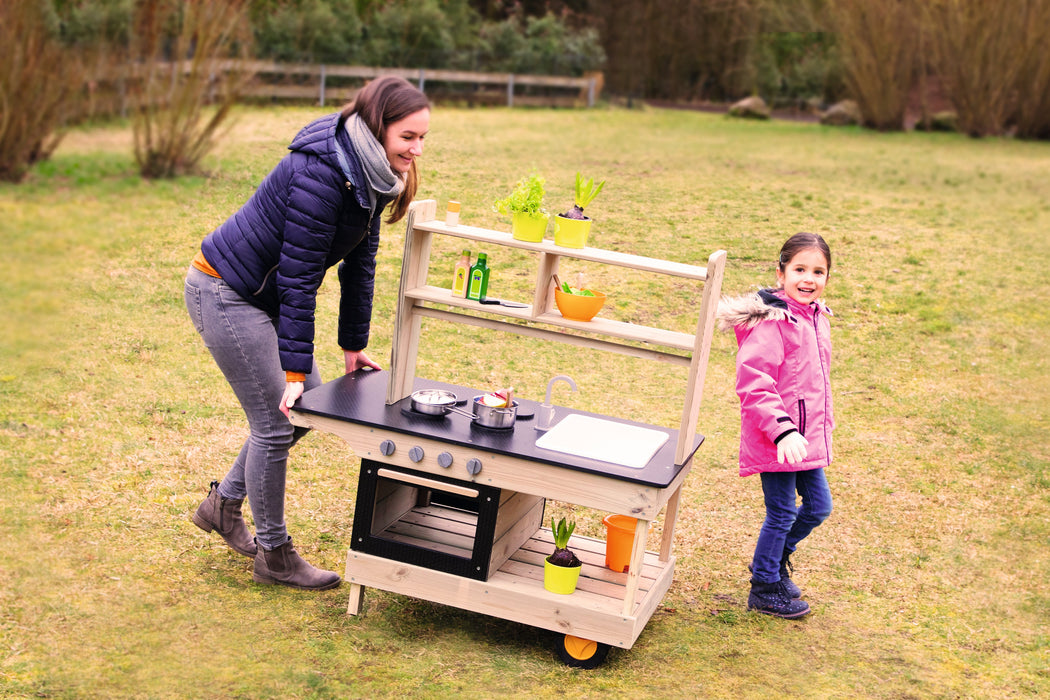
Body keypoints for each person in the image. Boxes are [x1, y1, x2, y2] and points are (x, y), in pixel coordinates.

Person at [184, 76, 430, 590]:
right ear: (378, 126)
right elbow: (298, 278)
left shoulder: (369, 174)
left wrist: (353, 346)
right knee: (278, 422)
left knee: (304, 414)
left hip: (263, 296)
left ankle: (223, 505)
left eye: (423, 138)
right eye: (408, 137)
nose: (416, 149)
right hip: (226, 290)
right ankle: (274, 556)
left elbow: (360, 265)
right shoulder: (322, 174)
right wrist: (295, 371)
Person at [716, 232, 835, 618]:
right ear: (781, 272)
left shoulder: (816, 318)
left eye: (818, 271)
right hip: (776, 438)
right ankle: (765, 587)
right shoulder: (774, 322)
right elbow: (754, 383)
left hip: (805, 439)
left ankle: (771, 561)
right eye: (800, 269)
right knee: (782, 512)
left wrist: (811, 430)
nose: (809, 279)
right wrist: (782, 430)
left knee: (818, 507)